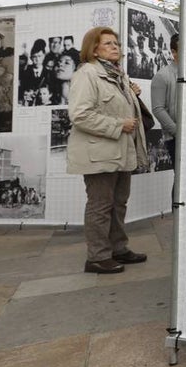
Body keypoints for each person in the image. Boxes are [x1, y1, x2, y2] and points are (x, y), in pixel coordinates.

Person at [67, 26, 149, 274]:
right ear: (94, 49)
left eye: (117, 43)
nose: (116, 47)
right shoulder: (88, 74)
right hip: (100, 153)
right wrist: (118, 125)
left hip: (121, 151)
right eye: (108, 44)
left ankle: (118, 249)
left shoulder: (117, 75)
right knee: (100, 206)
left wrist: (132, 96)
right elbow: (79, 115)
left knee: (118, 204)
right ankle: (97, 257)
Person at [151, 33, 180, 202]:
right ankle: (177, 219)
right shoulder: (162, 76)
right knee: (181, 178)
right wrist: (177, 132)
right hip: (175, 138)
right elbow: (158, 109)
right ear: (173, 52)